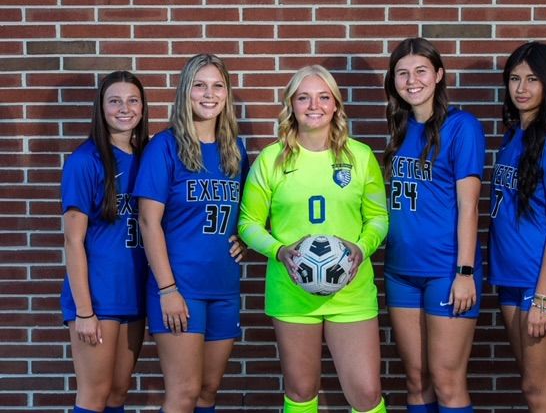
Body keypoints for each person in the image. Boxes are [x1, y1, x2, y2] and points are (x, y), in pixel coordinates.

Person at [238, 65, 389, 413]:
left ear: (336, 104)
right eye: (303, 97)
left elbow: (379, 219)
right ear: (291, 104)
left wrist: (361, 248)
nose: (313, 105)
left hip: (351, 291)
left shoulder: (360, 157)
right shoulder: (271, 160)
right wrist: (279, 250)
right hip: (292, 292)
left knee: (366, 394)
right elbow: (248, 223)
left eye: (323, 97)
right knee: (302, 391)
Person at [134, 54, 248, 413]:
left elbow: (245, 213)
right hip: (180, 288)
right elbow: (148, 222)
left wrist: (244, 236)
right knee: (183, 393)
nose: (208, 94)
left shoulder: (236, 150)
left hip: (224, 287)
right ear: (186, 92)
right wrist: (167, 290)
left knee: (208, 391)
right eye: (199, 85)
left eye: (217, 86)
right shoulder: (164, 147)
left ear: (227, 94)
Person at [382, 37, 486, 413]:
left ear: (439, 75)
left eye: (421, 71)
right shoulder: (398, 128)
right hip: (400, 273)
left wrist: (464, 272)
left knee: (447, 380)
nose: (412, 81)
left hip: (446, 270)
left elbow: (469, 206)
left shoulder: (462, 127)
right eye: (403, 73)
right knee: (416, 379)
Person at [488, 41, 546, 413]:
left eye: (531, 79)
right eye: (514, 79)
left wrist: (543, 299)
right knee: (531, 385)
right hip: (512, 280)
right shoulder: (513, 137)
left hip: (545, 286)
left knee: (538, 391)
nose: (521, 88)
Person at [60, 70, 149, 413]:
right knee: (94, 395)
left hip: (135, 293)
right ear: (101, 107)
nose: (124, 109)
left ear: (142, 107)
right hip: (97, 298)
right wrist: (85, 311)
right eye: (114, 101)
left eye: (132, 100)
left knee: (118, 393)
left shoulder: (150, 157)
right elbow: (73, 241)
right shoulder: (86, 161)